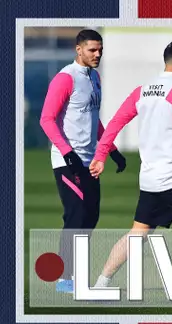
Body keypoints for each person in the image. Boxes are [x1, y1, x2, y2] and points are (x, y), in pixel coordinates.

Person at [89, 40, 172, 289]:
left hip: (150, 180)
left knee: (138, 234)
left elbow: (115, 123)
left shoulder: (143, 89)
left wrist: (100, 156)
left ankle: (101, 283)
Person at [39, 29, 127, 293]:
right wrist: (67, 152)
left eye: (100, 49)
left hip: (90, 161)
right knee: (76, 216)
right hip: (69, 161)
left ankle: (74, 273)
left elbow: (94, 121)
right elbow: (46, 119)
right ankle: (64, 278)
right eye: (92, 50)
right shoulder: (65, 78)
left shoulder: (94, 77)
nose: (97, 54)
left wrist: (111, 150)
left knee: (90, 216)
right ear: (79, 50)